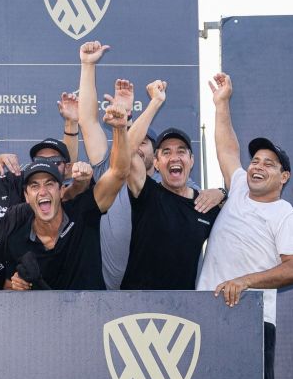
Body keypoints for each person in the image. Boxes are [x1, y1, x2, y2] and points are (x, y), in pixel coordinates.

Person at [198, 72, 293, 379]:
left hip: (252, 322)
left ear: (284, 177)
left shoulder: (285, 215)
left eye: (269, 164)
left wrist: (245, 281)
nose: (258, 166)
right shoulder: (240, 186)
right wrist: (222, 102)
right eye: (256, 160)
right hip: (205, 314)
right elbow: (227, 146)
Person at [73, 42, 222, 289]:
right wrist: (88, 65)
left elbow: (215, 202)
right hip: (109, 293)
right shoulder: (108, 170)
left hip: (165, 296)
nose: (138, 147)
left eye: (145, 142)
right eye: (135, 140)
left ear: (155, 156)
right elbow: (88, 121)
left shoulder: (174, 186)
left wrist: (222, 192)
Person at [1, 79, 133, 291]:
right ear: (25, 196)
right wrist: (16, 285)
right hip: (46, 313)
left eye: (49, 183)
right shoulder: (17, 239)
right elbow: (6, 285)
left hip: (95, 310)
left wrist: (120, 129)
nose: (42, 191)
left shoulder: (84, 212)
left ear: (61, 189)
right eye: (34, 186)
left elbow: (119, 173)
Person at [120, 122, 221, 290]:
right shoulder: (146, 192)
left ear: (191, 160)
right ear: (156, 163)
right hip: (136, 301)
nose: (174, 157)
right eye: (166, 152)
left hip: (182, 304)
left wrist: (223, 193)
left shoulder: (206, 205)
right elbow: (126, 149)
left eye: (181, 151)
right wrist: (155, 105)